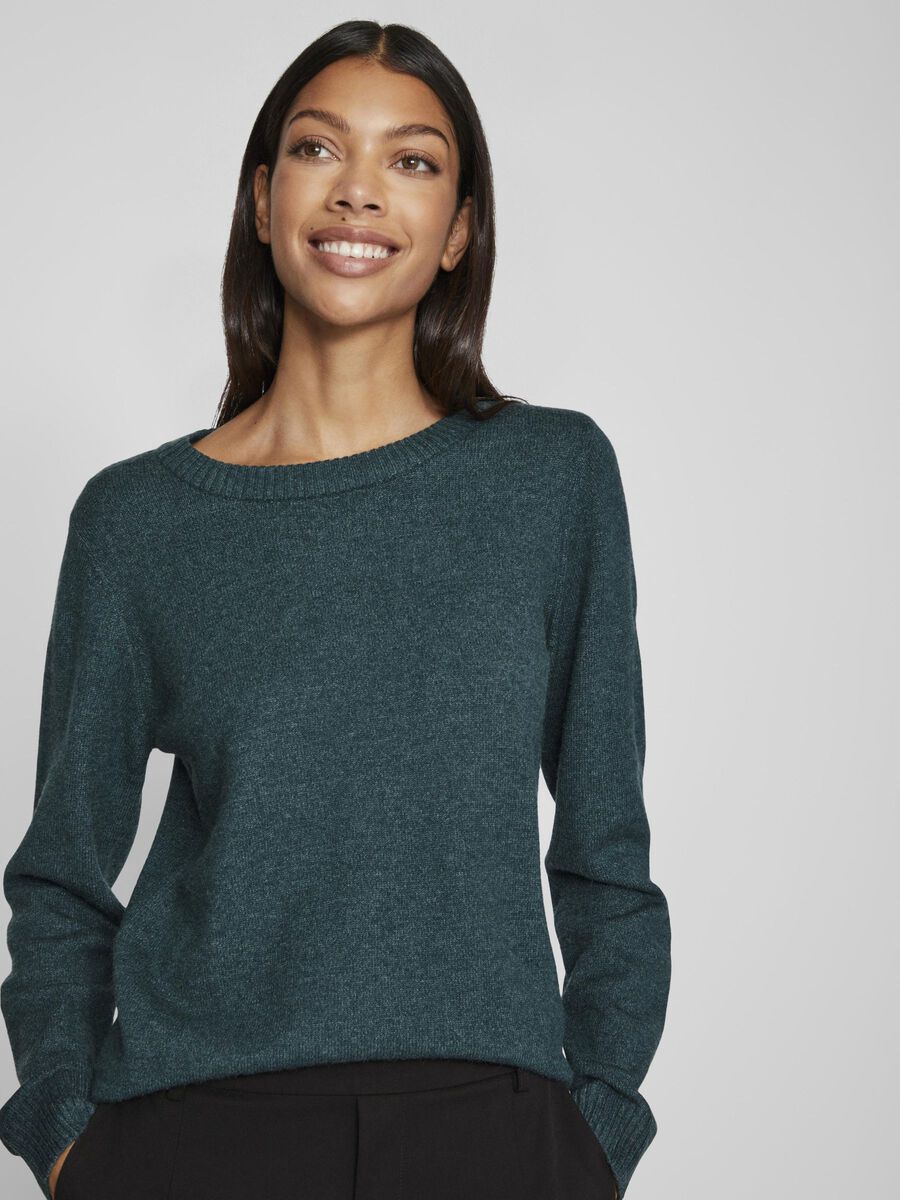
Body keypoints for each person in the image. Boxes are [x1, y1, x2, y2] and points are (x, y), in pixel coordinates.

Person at [0, 19, 671, 1200]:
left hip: (493, 1133)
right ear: (264, 200)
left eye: (412, 160)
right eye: (319, 149)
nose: (359, 190)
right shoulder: (139, 521)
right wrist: (67, 1140)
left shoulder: (551, 480)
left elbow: (605, 838)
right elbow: (62, 872)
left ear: (458, 230)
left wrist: (596, 1127)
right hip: (196, 1133)